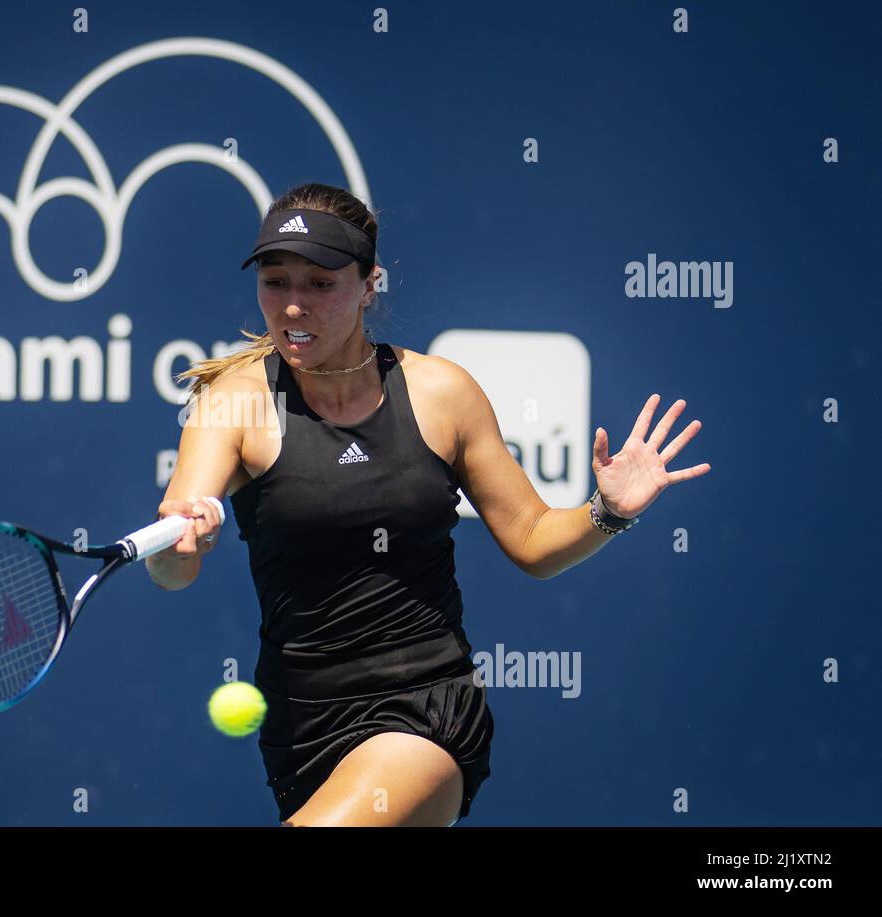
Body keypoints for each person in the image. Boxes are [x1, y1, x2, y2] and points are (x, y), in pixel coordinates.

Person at [144, 183, 710, 827]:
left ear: (368, 285)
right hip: (301, 727)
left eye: (320, 284)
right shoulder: (233, 401)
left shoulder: (442, 393)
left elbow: (531, 538)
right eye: (276, 282)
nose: (294, 305)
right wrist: (182, 543)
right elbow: (175, 562)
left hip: (427, 708)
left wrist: (608, 512)